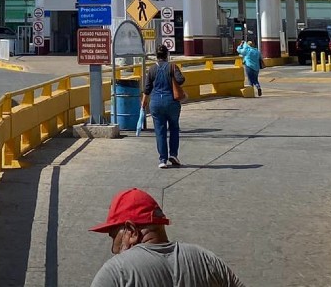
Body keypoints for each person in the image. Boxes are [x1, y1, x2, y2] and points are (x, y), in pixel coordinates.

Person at [89, 188, 245, 287]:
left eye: (114, 236)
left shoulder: (116, 272)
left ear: (131, 231)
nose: (113, 248)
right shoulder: (206, 259)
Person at [141, 44, 185, 168]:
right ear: (167, 55)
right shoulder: (172, 66)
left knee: (160, 131)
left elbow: (147, 89)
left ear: (156, 56)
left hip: (155, 103)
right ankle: (173, 154)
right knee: (174, 128)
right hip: (171, 102)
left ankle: (162, 160)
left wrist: (143, 103)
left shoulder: (151, 69)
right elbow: (181, 80)